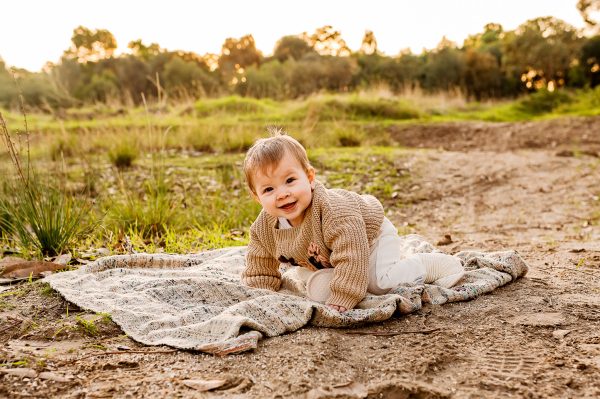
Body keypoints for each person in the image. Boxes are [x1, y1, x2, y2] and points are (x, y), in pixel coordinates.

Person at [241, 130, 464, 312]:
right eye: (269, 189)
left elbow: (352, 253)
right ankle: (344, 278)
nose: (282, 194)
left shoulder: (333, 211)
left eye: (290, 180)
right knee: (316, 290)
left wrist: (344, 294)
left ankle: (426, 264)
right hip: (329, 254)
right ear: (257, 196)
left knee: (378, 283)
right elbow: (259, 264)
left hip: (370, 237)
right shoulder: (264, 227)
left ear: (310, 178)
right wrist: (261, 293)